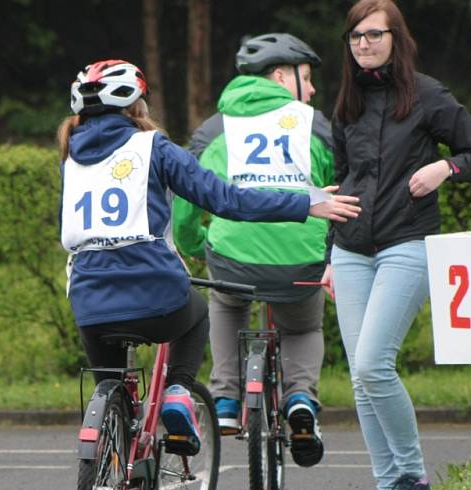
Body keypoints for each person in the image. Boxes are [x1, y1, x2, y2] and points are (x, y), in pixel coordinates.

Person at [58, 59, 359, 462]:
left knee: (111, 389)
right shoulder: (156, 148)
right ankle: (179, 391)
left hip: (88, 299)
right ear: (137, 107)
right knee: (198, 313)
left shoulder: (70, 159)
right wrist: (306, 203)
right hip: (154, 293)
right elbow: (227, 200)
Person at [324, 1, 471, 490]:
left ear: (396, 38)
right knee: (360, 376)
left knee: (375, 362)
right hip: (350, 251)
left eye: (373, 35)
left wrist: (445, 166)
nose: (363, 44)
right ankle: (388, 487)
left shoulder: (426, 94)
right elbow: (340, 183)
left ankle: (415, 479)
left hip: (407, 243)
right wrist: (328, 256)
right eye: (355, 37)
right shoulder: (347, 105)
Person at [172, 33, 335, 468]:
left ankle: (225, 399)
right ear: (281, 76)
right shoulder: (316, 125)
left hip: (233, 258)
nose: (313, 89)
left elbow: (187, 201)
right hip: (299, 257)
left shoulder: (213, 128)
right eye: (307, 77)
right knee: (302, 328)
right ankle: (300, 399)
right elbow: (343, 191)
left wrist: (193, 246)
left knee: (225, 302)